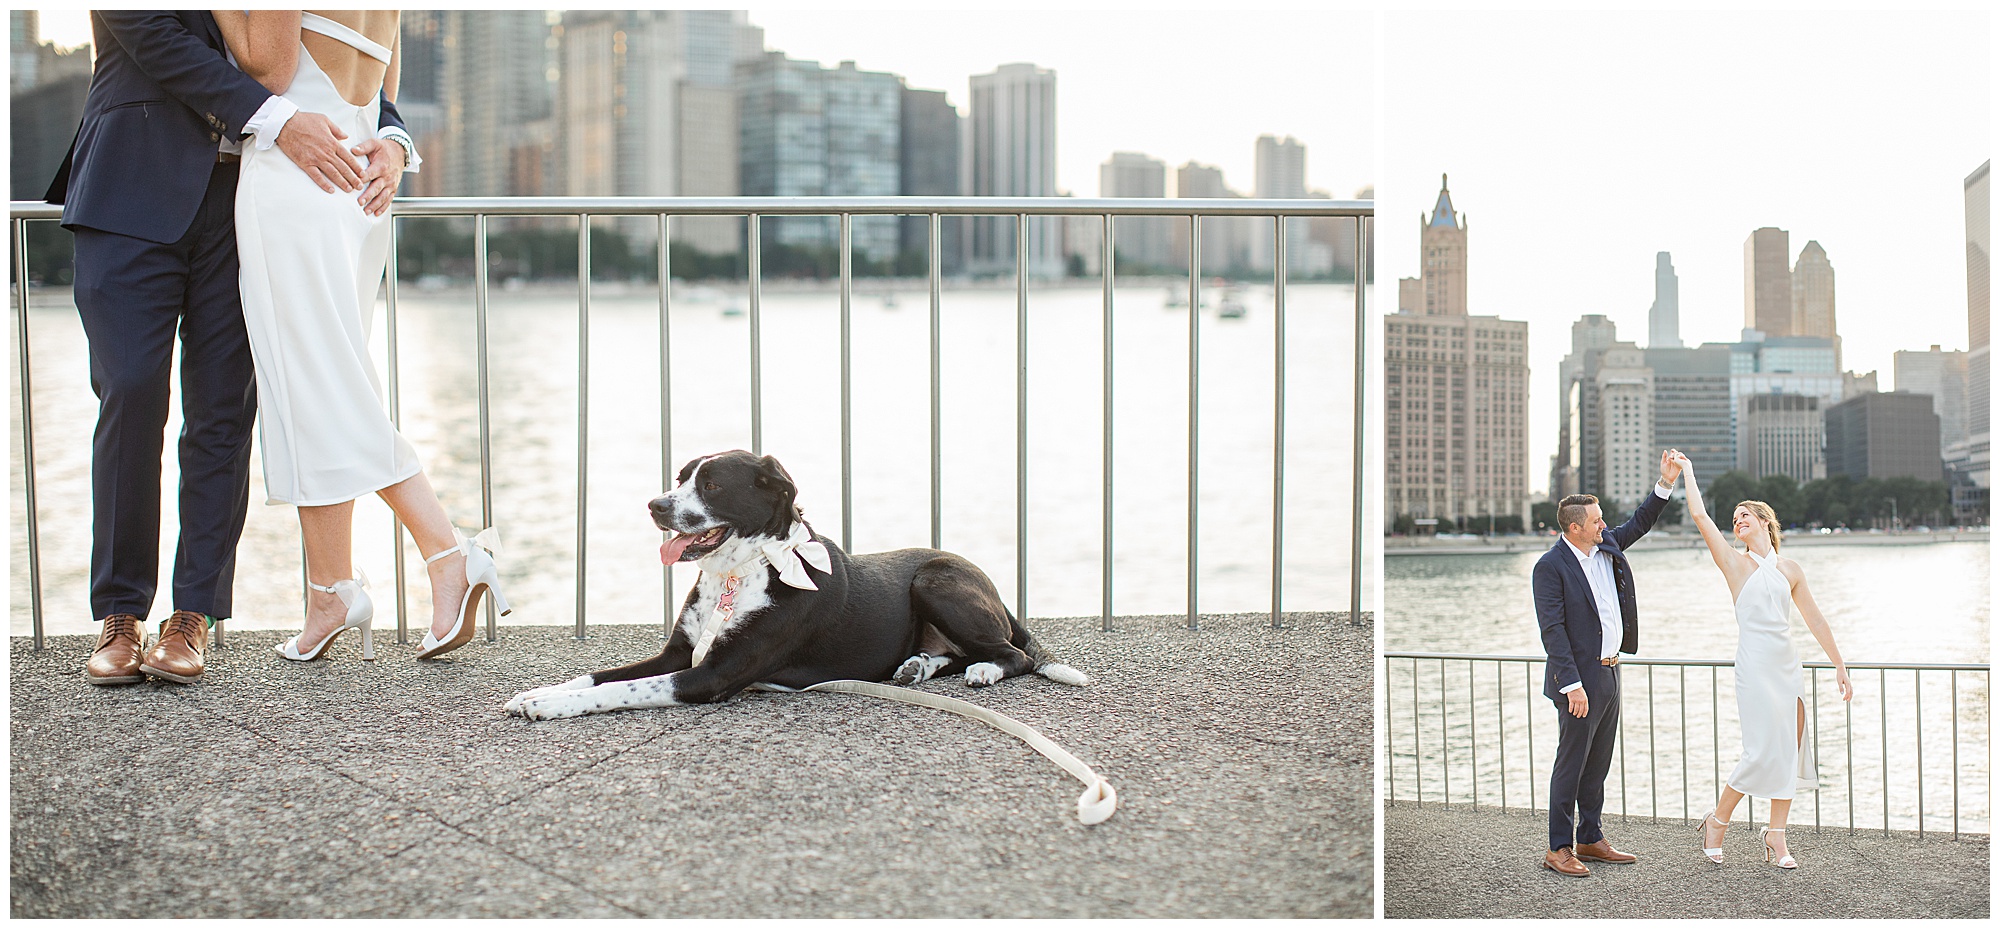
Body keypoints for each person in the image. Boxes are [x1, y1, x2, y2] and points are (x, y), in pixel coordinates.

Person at [46, 11, 409, 685]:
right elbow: (152, 33)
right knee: (129, 390)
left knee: (223, 409)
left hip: (250, 200)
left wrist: (392, 135)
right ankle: (120, 613)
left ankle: (194, 615)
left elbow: (332, 42)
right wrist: (276, 118)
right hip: (131, 185)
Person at [211, 10, 509, 663]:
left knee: (321, 389)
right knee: (318, 391)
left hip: (298, 178)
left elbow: (272, 65)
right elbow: (385, 87)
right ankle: (330, 592)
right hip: (359, 182)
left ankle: (450, 552)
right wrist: (396, 144)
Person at [1675, 452, 1852, 869]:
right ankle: (1718, 821)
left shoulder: (1790, 569)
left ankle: (1776, 837)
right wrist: (1688, 472)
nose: (1737, 522)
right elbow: (1700, 516)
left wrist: (1840, 666)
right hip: (1754, 667)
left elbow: (1815, 620)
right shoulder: (1734, 564)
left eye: (1744, 516)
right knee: (1758, 752)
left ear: (1765, 522)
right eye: (1734, 518)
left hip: (1788, 666)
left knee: (1789, 751)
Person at [1533, 449, 1681, 877]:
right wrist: (1571, 685)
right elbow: (1552, 632)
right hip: (1578, 681)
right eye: (1597, 520)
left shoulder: (1605, 545)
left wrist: (1665, 483)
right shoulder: (1550, 567)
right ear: (1575, 528)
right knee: (1571, 763)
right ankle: (1558, 847)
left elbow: (1640, 520)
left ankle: (1590, 838)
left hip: (1611, 671)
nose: (1604, 524)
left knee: (1598, 761)